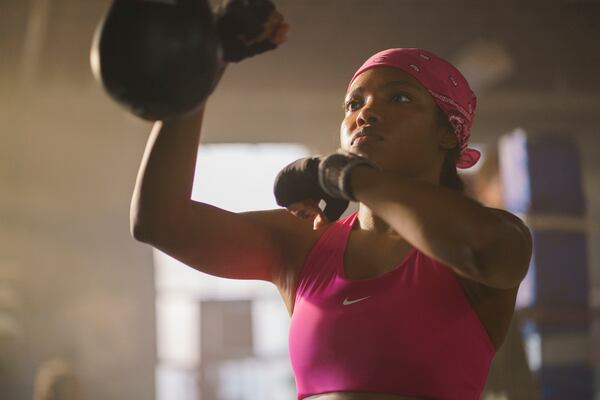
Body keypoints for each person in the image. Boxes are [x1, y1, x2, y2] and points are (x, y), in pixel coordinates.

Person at [130, 8, 533, 400]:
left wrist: (349, 177)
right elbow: (161, 222)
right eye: (354, 104)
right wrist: (202, 70)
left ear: (448, 133)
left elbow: (483, 251)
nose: (367, 113)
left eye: (400, 98)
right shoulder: (304, 242)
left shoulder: (497, 234)